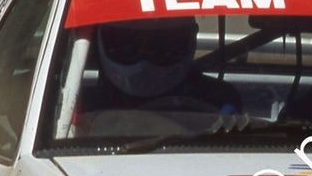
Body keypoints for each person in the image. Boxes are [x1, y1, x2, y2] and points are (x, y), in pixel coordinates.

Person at [93, 17, 242, 115]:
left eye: (161, 44)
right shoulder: (86, 105)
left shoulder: (219, 100)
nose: (144, 64)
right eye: (127, 44)